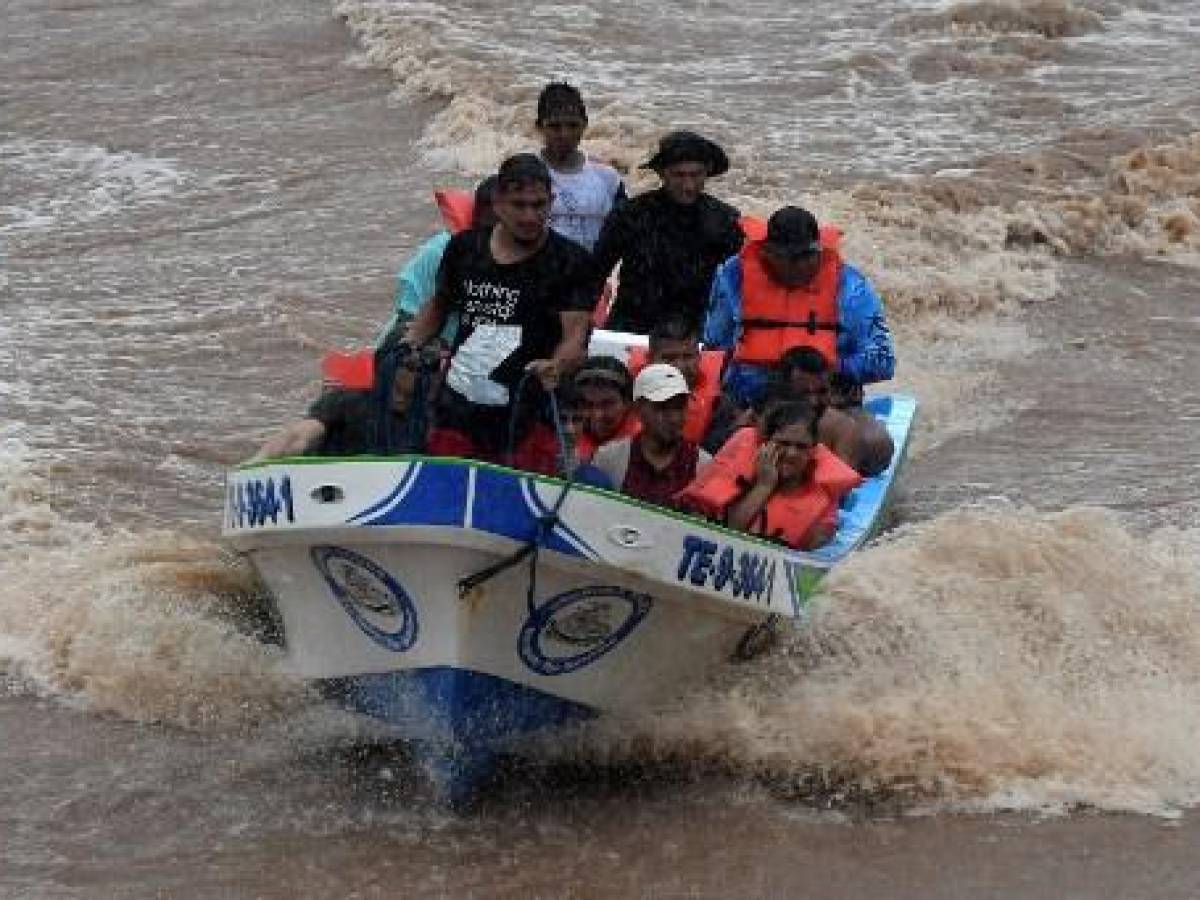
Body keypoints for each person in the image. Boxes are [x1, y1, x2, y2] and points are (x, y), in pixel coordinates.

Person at [402, 154, 595, 474]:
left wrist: (556, 365)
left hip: (529, 416)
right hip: (457, 411)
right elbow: (438, 308)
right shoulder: (464, 248)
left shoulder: (570, 260)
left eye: (539, 205)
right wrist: (409, 343)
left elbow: (575, 338)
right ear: (498, 202)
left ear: (552, 201)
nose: (530, 216)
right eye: (519, 205)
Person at [704, 205, 895, 408]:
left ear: (819, 249)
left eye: (809, 256)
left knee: (872, 439)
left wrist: (827, 370)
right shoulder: (733, 276)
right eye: (791, 259)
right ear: (768, 253)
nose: (802, 266)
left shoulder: (851, 287)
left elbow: (882, 361)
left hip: (825, 400)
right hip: (751, 400)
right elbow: (715, 347)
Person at [591, 130, 743, 333]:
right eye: (678, 175)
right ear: (662, 173)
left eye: (695, 175)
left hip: (697, 332)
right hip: (632, 326)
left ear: (707, 172)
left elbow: (735, 287)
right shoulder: (630, 214)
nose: (688, 185)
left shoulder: (726, 220)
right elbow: (596, 272)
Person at [677, 401, 862, 551]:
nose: (791, 454)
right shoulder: (738, 476)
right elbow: (725, 535)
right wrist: (764, 486)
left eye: (801, 447)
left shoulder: (823, 496)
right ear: (764, 445)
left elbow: (813, 552)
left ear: (813, 451)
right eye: (783, 443)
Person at [377, 177, 499, 347]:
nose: (498, 239)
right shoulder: (441, 251)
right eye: (491, 229)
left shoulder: (536, 257)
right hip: (424, 340)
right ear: (476, 221)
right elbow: (407, 316)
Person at [254, 345, 428, 459]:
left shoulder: (429, 414)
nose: (400, 399)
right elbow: (298, 436)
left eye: (409, 395)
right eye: (396, 390)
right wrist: (256, 463)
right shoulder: (349, 400)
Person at [591, 364, 713, 507]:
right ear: (638, 409)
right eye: (662, 407)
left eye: (679, 407)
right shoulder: (609, 459)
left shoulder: (704, 467)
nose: (674, 418)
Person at [535, 82, 626, 252]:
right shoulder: (525, 174)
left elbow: (624, 234)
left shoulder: (608, 178)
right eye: (555, 127)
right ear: (539, 127)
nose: (565, 134)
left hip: (591, 272)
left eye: (573, 126)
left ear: (585, 125)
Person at [776, 347, 894, 477]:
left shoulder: (844, 429)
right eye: (803, 393)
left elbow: (838, 488)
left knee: (876, 444)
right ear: (784, 391)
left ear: (830, 390)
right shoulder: (763, 417)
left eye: (821, 391)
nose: (813, 401)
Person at [626, 315, 726, 447]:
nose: (680, 366)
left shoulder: (722, 397)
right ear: (650, 359)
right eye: (670, 358)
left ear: (699, 357)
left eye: (688, 357)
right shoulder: (624, 391)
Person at [574, 355, 637, 458]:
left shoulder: (644, 448)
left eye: (607, 404)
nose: (597, 415)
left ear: (628, 403)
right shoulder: (564, 438)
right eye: (588, 404)